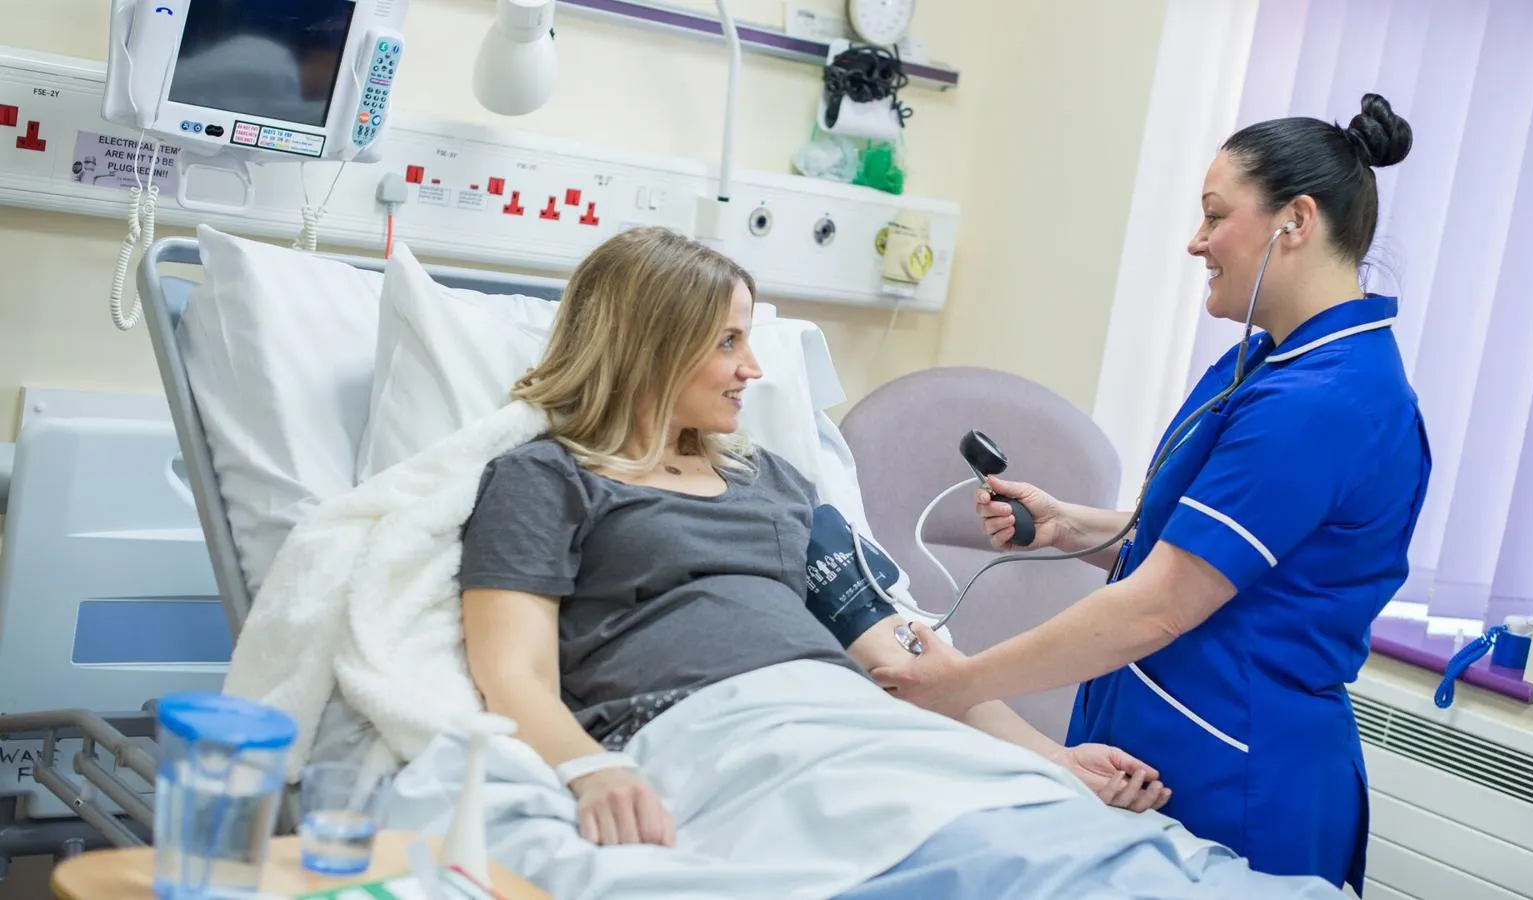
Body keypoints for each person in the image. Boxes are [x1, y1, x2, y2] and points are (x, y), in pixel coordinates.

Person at [870, 93, 1431, 893]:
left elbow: (1163, 602)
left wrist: (963, 685)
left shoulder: (1326, 401)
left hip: (1240, 772)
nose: (1196, 242)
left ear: (1295, 221)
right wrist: (1073, 529)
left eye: (1214, 216)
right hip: (1163, 740)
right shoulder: (1273, 363)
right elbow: (1210, 546)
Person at [454, 226, 1170, 851]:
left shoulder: (772, 480)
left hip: (843, 717)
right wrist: (588, 767)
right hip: (705, 732)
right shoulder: (544, 479)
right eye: (728, 342)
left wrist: (1053, 758)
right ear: (652, 350)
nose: (754, 370)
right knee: (967, 853)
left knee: (1054, 832)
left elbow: (900, 648)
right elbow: (512, 673)